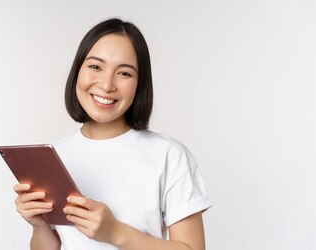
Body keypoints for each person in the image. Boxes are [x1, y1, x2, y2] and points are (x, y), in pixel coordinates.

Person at [13, 18, 212, 250]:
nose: (107, 85)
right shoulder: (55, 156)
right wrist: (40, 226)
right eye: (95, 66)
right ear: (78, 70)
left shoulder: (169, 155)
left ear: (140, 84)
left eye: (124, 73)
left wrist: (115, 232)